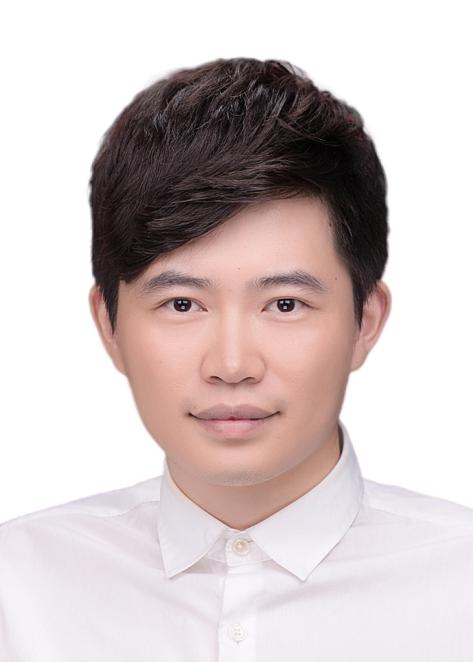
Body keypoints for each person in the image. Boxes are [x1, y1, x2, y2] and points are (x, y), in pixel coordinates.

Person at [1, 57, 472, 661]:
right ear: (109, 325)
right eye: (181, 304)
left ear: (366, 321)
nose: (231, 364)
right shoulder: (18, 589)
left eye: (284, 304)